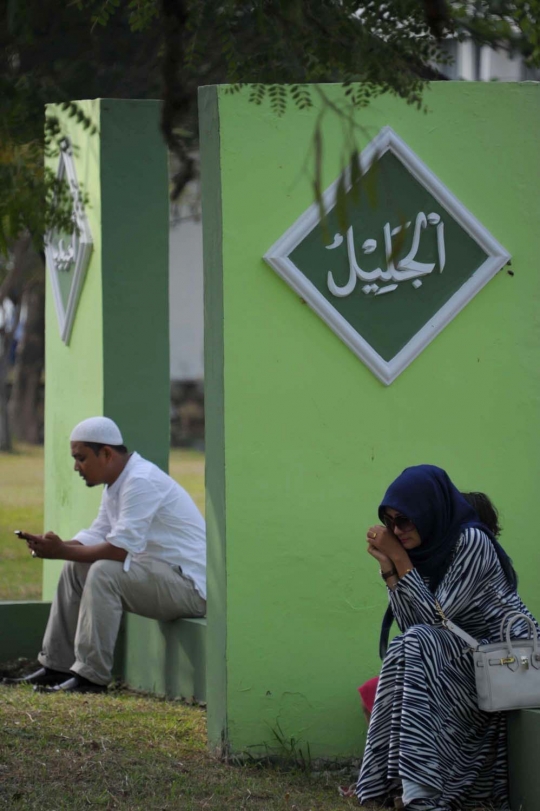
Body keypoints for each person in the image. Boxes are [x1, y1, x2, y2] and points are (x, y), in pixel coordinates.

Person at [356, 465, 538, 811]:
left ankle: (417, 791)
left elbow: (436, 618)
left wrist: (398, 558)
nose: (396, 530)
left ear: (429, 512)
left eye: (405, 520)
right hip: (466, 659)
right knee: (408, 643)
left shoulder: (472, 541)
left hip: (505, 661)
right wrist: (389, 570)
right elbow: (414, 625)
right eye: (390, 522)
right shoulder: (429, 554)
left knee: (416, 642)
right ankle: (397, 786)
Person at [5, 416, 206, 694]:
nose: (76, 466)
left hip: (189, 588)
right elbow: (98, 534)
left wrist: (61, 550)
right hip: (158, 577)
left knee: (103, 571)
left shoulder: (141, 480)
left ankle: (91, 678)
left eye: (81, 458)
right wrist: (55, 546)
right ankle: (56, 667)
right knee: (75, 568)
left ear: (107, 453)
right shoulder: (118, 482)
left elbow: (118, 549)